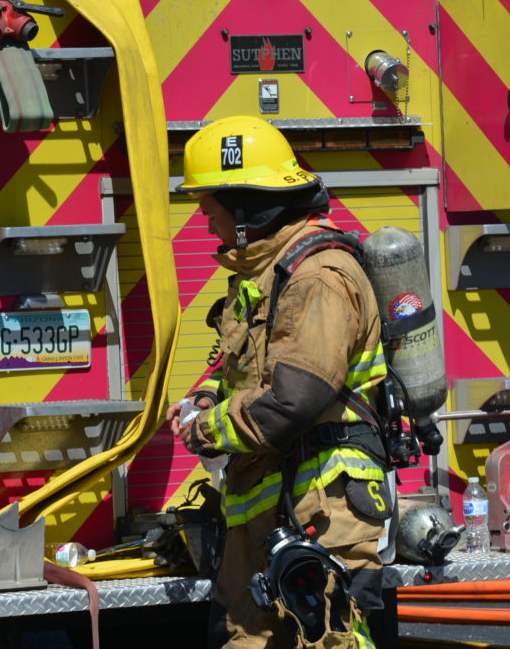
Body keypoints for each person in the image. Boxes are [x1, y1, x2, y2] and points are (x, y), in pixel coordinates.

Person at [165, 115, 390, 648]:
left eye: (212, 213)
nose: (209, 228)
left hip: (323, 513)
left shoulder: (317, 278)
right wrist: (208, 397)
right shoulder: (268, 274)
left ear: (248, 211)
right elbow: (256, 370)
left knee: (328, 640)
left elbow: (293, 400)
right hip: (271, 512)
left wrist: (206, 430)